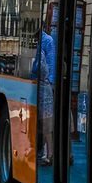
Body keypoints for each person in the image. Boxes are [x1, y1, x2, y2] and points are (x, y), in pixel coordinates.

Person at [33, 24, 56, 165]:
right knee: (41, 122)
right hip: (39, 86)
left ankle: (49, 154)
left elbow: (50, 64)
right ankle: (43, 152)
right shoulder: (39, 41)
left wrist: (50, 82)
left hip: (44, 86)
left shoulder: (47, 41)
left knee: (46, 122)